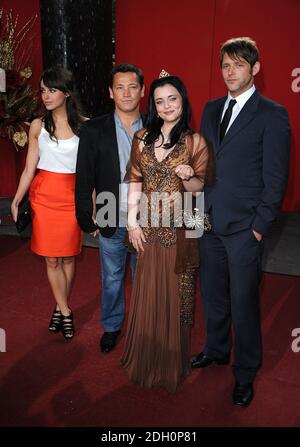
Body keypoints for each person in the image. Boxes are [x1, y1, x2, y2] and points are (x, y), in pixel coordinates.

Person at [191, 37, 290, 406]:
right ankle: (216, 349)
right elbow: (203, 165)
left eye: (238, 65)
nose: (230, 72)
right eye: (225, 65)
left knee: (243, 301)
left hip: (245, 229)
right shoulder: (211, 107)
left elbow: (276, 178)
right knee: (213, 296)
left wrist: (259, 228)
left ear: (255, 69)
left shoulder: (272, 114)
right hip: (208, 222)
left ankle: (245, 371)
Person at [121, 72, 211, 392]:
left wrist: (188, 176)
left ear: (183, 100)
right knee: (148, 292)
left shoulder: (195, 141)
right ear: (153, 105)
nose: (166, 105)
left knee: (175, 297)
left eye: (172, 98)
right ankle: (147, 356)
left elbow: (200, 186)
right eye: (159, 101)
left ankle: (170, 361)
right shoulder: (141, 137)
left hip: (179, 230)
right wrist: (131, 221)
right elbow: (133, 180)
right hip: (146, 229)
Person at [11, 66, 86, 340]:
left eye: (51, 90)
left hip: (71, 198)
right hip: (44, 197)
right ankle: (66, 311)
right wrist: (18, 198)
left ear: (66, 93)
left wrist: (91, 206)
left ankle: (59, 306)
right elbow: (30, 168)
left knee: (67, 256)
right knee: (51, 258)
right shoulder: (37, 126)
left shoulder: (84, 127)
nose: (45, 95)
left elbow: (88, 173)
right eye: (42, 90)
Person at [75, 64, 145, 353]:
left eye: (132, 86)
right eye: (120, 87)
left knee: (144, 277)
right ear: (110, 92)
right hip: (108, 209)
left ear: (142, 90)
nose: (126, 93)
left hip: (147, 215)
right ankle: (112, 326)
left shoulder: (158, 125)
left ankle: (144, 326)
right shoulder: (94, 129)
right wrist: (85, 217)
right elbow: (84, 175)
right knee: (112, 276)